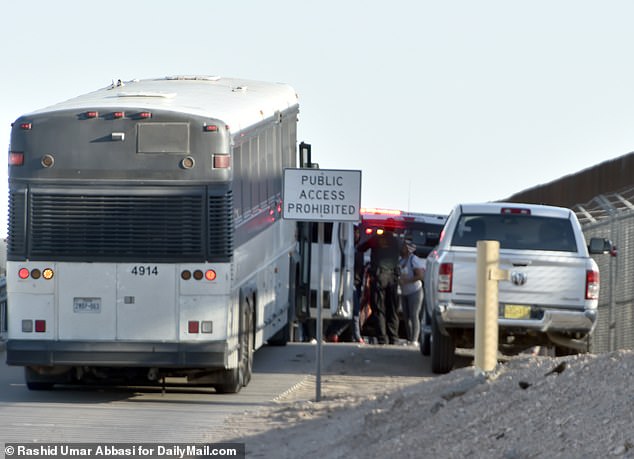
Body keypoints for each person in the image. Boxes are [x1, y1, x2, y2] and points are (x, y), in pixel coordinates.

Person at [356, 229, 400, 344]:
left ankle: (382, 338)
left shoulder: (376, 239)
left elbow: (361, 247)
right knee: (392, 309)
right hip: (393, 278)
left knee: (379, 309)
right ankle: (393, 338)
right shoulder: (398, 241)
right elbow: (410, 250)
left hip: (379, 277)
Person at [398, 239, 425, 345]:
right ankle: (409, 338)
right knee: (406, 316)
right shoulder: (401, 261)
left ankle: (414, 340)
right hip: (404, 292)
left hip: (415, 291)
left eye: (404, 246)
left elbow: (420, 275)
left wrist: (407, 280)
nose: (402, 248)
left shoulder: (414, 259)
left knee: (414, 315)